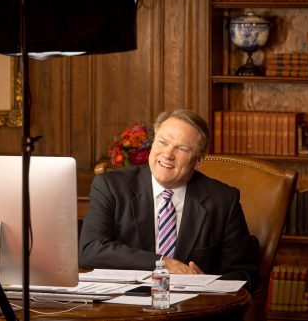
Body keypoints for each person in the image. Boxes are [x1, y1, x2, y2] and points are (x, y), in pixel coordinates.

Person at [79, 109, 259, 292]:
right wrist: (163, 263)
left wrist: (207, 284)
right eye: (162, 142)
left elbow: (244, 272)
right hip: (125, 306)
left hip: (192, 308)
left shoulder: (222, 200)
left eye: (181, 148)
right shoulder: (111, 186)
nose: (167, 154)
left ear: (198, 161)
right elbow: (90, 250)